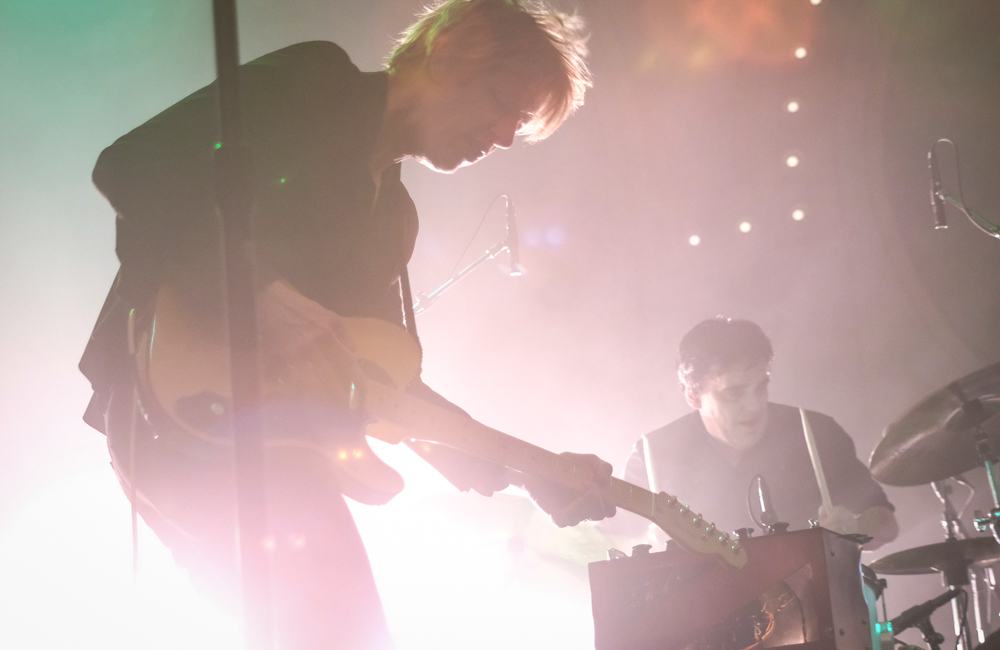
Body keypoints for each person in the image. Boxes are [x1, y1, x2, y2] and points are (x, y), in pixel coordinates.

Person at [78, 2, 614, 648]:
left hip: (271, 444)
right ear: (448, 50)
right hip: (178, 408)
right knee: (344, 629)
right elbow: (132, 165)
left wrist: (533, 468)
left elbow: (378, 385)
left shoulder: (395, 220)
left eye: (519, 123)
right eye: (501, 100)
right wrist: (258, 292)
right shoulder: (320, 81)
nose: (503, 134)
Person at [614, 317, 898, 550]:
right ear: (693, 395)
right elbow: (613, 537)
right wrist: (647, 546)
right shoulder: (654, 453)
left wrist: (856, 528)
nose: (754, 405)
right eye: (734, 392)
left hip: (818, 608)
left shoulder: (817, 433)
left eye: (761, 387)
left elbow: (885, 522)